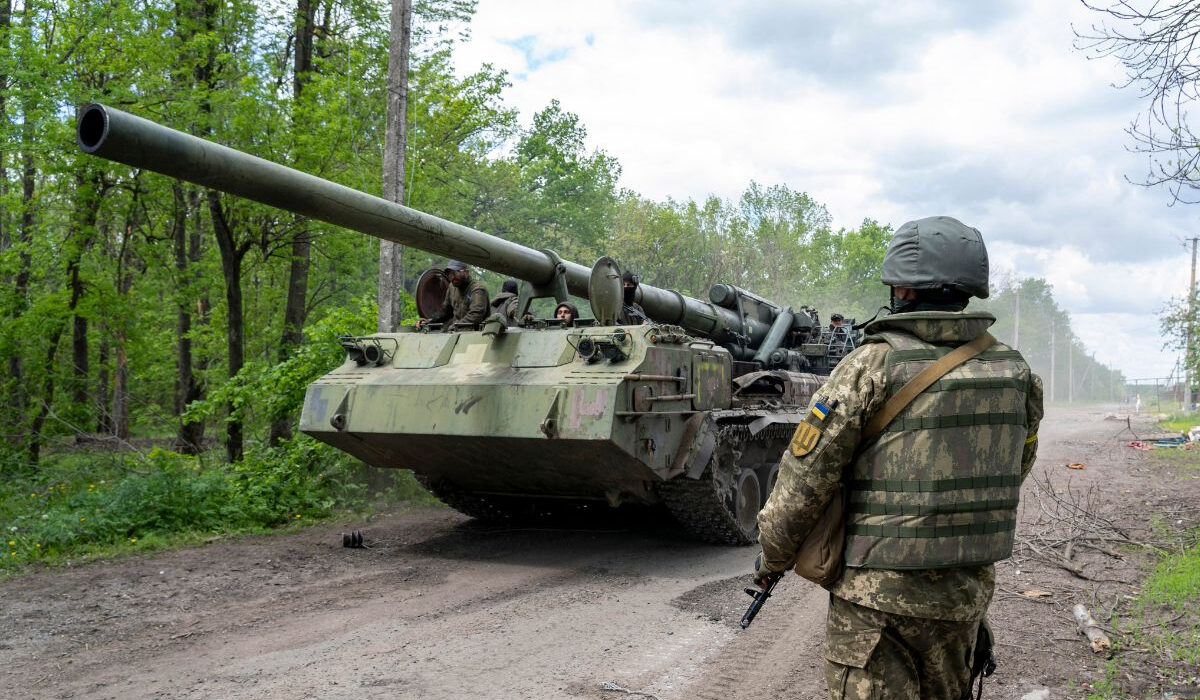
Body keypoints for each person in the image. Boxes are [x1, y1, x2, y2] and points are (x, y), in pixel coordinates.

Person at [753, 216, 1044, 700]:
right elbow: (1016, 468)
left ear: (901, 290)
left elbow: (805, 480)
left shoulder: (869, 366)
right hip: (961, 596)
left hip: (874, 605)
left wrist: (774, 557)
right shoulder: (1016, 371)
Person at [417, 260, 489, 329]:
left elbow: (475, 315)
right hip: (456, 331)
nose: (452, 277)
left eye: (455, 273)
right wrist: (429, 321)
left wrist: (456, 326)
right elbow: (445, 312)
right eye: (449, 274)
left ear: (466, 272)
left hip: (475, 334)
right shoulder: (452, 287)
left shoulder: (477, 289)